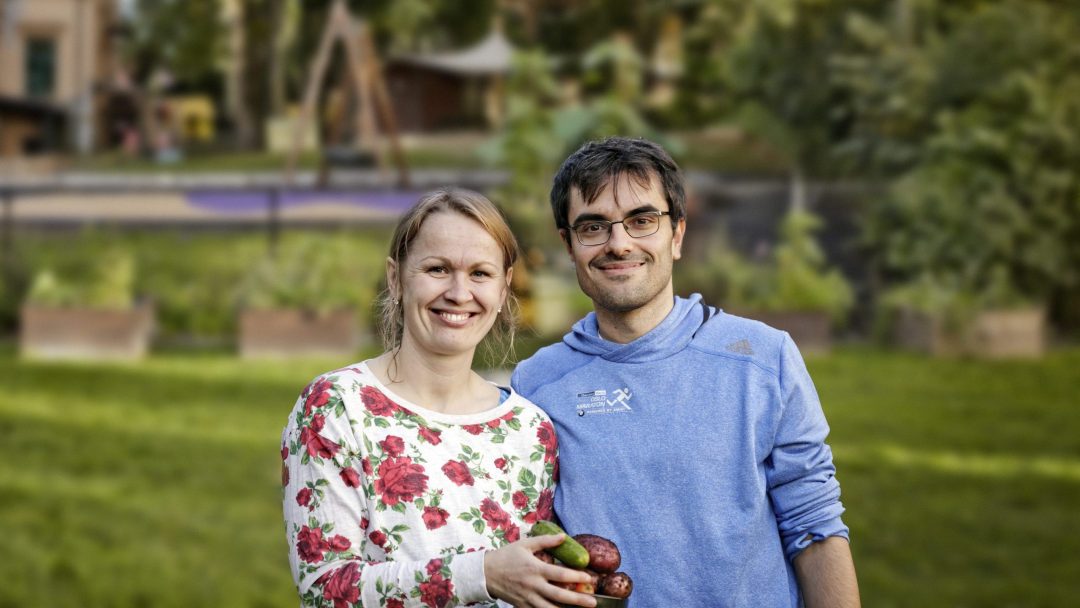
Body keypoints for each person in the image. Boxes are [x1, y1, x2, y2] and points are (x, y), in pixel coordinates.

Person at [511, 137, 861, 607]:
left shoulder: (763, 357)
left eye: (642, 220)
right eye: (593, 226)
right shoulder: (535, 385)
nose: (619, 243)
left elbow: (814, 523)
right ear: (569, 245)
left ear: (676, 234)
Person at [281, 188, 596, 608]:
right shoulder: (337, 406)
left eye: (480, 274)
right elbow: (325, 590)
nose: (459, 292)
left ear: (503, 291)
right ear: (396, 278)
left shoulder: (529, 430)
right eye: (437, 269)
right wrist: (481, 574)